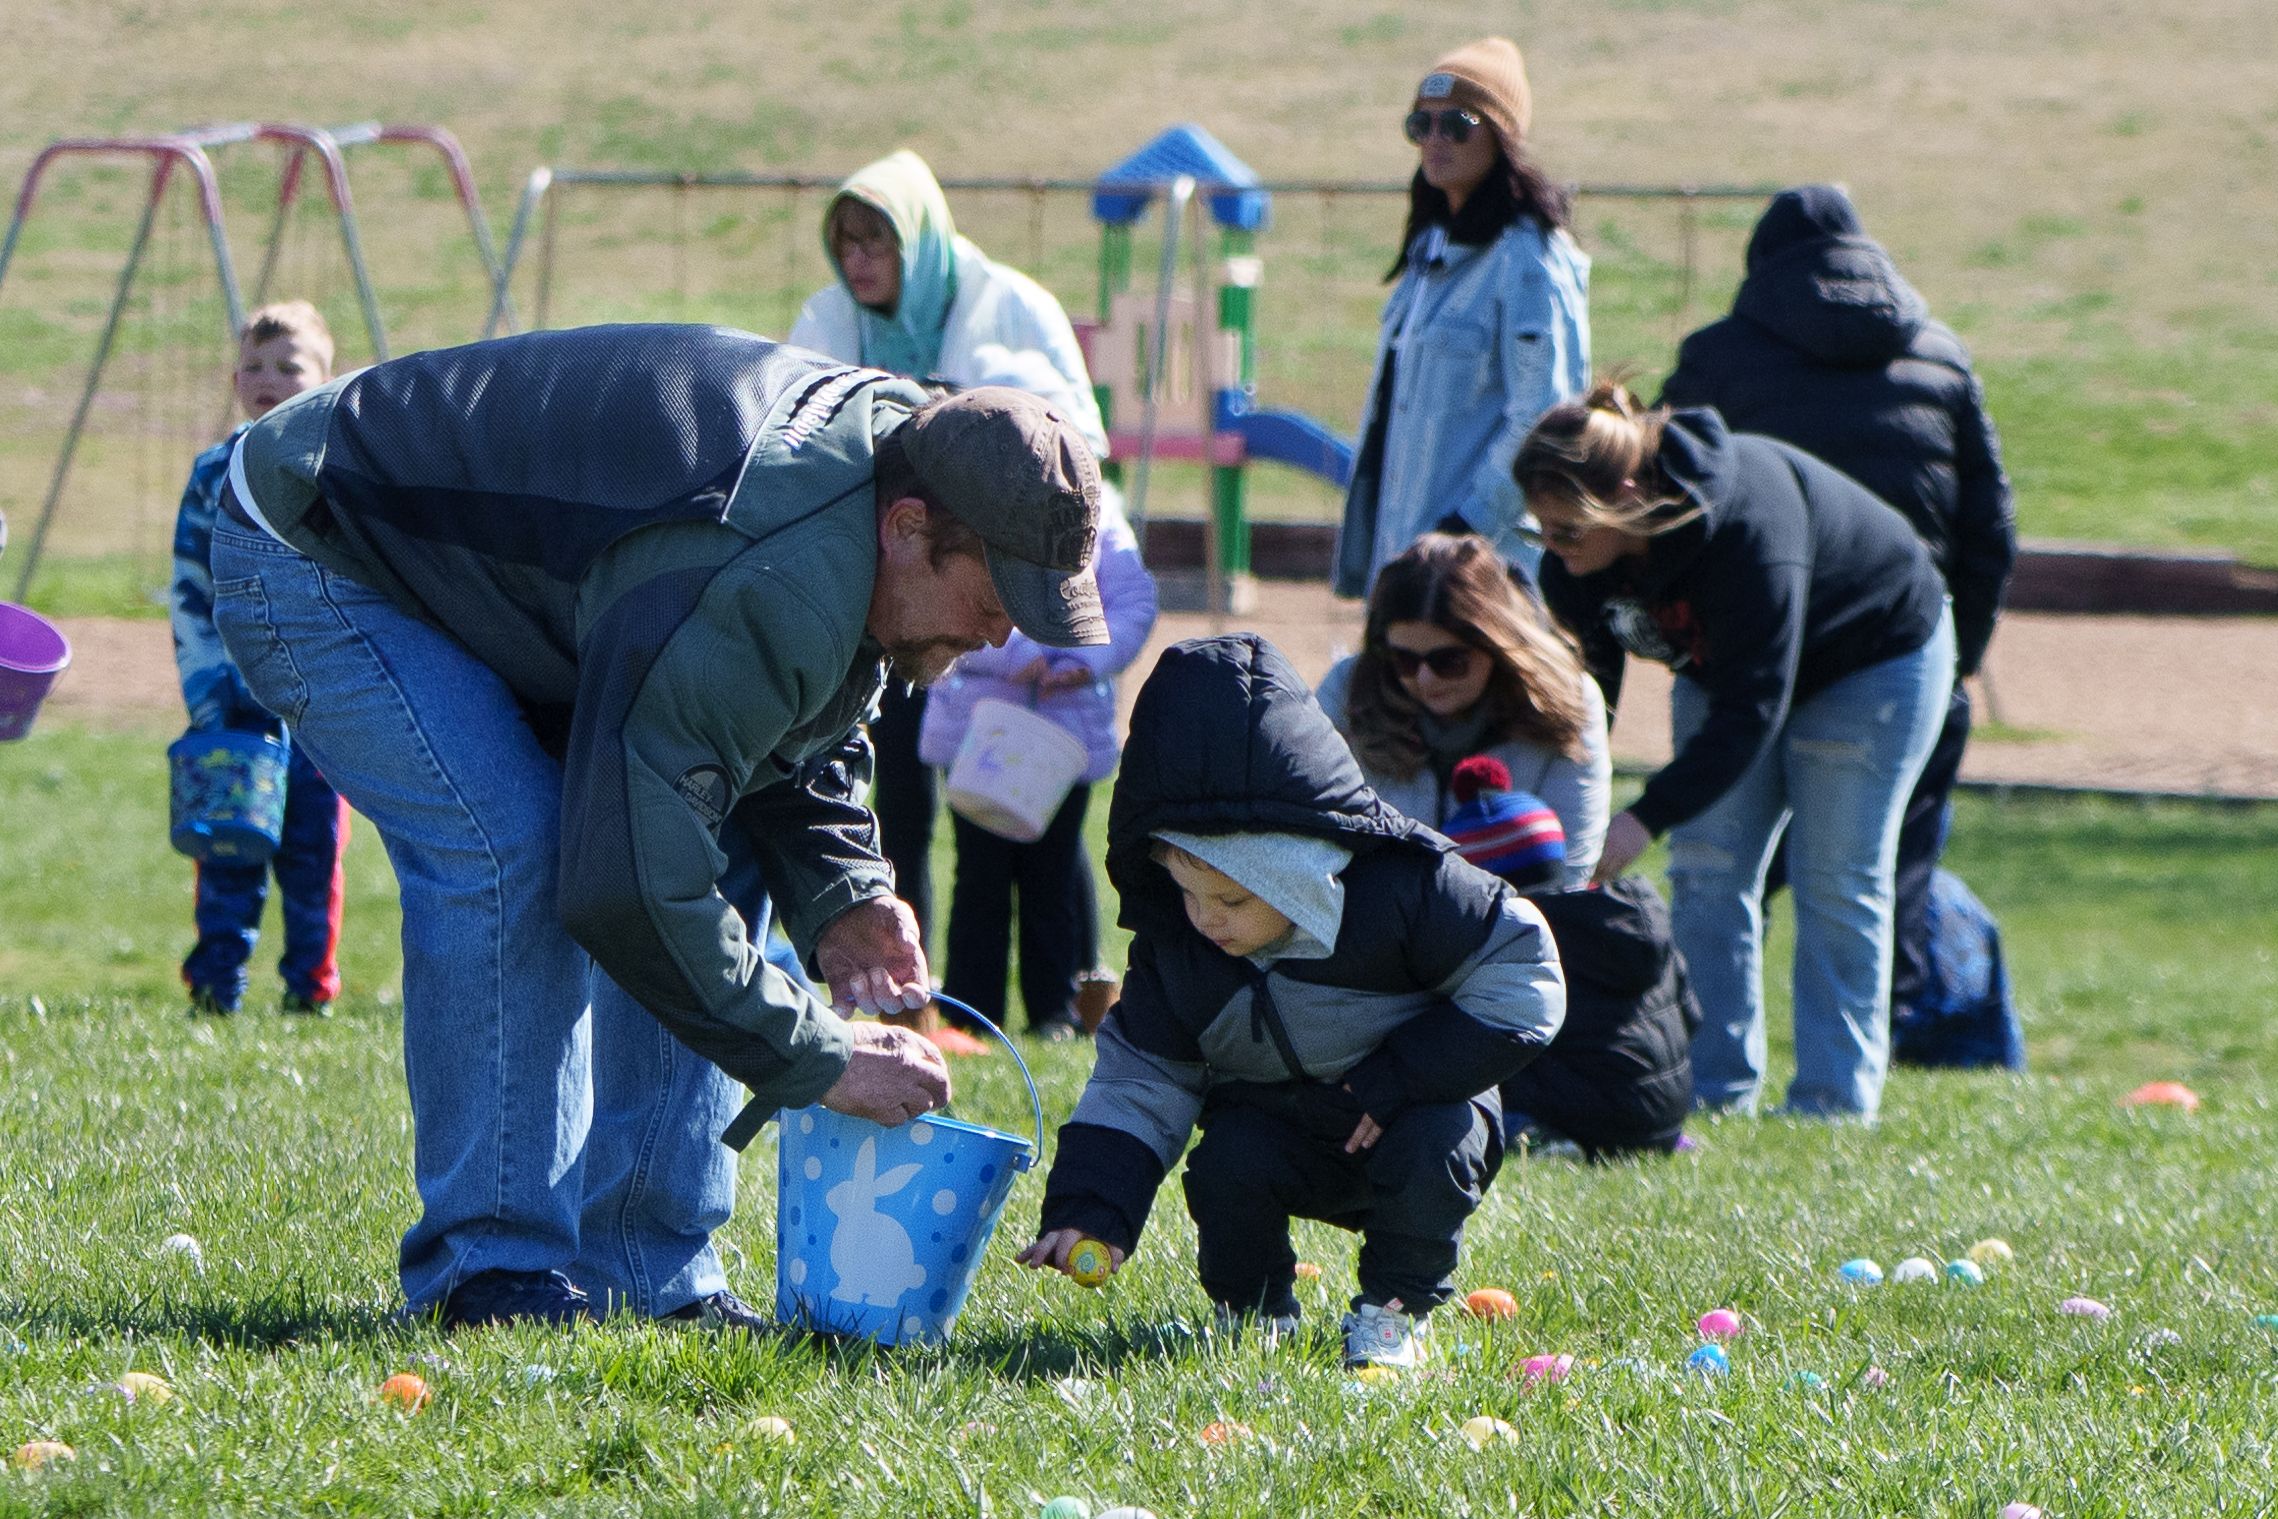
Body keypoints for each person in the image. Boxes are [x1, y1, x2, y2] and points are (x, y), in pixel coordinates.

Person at [212, 323, 1107, 1330]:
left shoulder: (886, 494)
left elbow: (773, 734)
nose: (998, 636)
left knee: (701, 830)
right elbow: (627, 883)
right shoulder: (762, 566)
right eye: (991, 599)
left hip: (487, 571)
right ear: (906, 530)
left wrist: (844, 892)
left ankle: (646, 1267)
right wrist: (818, 1053)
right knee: (514, 850)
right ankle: (491, 1271)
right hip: (317, 537)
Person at [1017, 634, 1565, 1370]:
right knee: (1227, 1164)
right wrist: (1094, 1206)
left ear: (1302, 873)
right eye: (1186, 892)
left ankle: (1391, 1316)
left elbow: (1524, 973)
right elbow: (1139, 1083)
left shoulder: (1406, 892)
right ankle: (1252, 1313)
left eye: (1234, 898)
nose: (1207, 918)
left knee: (1439, 1138)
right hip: (1286, 1128)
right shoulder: (1180, 950)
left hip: (1409, 1111)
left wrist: (1406, 1073)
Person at [1516, 383, 1954, 1121]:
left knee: (1835, 876)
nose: (1552, 550)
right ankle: (1716, 1089)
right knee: (1708, 868)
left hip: (1873, 655)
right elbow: (1590, 694)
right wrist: (1571, 793)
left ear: (1624, 495)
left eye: (1564, 531)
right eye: (1541, 531)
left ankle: (1834, 1102)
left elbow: (1754, 710)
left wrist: (1641, 817)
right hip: (1727, 668)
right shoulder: (1578, 561)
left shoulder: (1746, 528)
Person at [1659, 184, 2017, 1048]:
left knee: (1716, 872)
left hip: (1742, 648)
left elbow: (1666, 505)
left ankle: (1711, 1068)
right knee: (1868, 871)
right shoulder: (1941, 355)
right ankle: (1865, 1063)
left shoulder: (1718, 357)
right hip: (1896, 647)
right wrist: (1955, 660)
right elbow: (1989, 526)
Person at [788, 150, 1110, 993]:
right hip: (883, 592)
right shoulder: (825, 322)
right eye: (846, 242)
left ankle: (1071, 989)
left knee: (1024, 814)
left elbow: (1073, 456)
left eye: (878, 241)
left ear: (918, 241)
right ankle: (908, 981)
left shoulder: (1012, 309)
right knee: (880, 793)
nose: (860, 260)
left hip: (995, 602)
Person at [1333, 35, 1591, 598]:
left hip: (1486, 571)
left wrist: (1466, 528)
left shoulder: (1531, 259)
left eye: (1457, 123)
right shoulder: (1429, 252)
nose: (1434, 139)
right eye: (1419, 125)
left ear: (1502, 137)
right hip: (1409, 562)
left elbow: (1544, 417)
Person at [919, 451, 1157, 1038]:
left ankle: (1054, 1009)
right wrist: (1019, 654)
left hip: (1064, 735)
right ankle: (972, 1011)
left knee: (1053, 875)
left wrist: (1084, 662)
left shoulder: (1107, 529)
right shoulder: (979, 519)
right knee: (979, 876)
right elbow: (950, 602)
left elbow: (1133, 606)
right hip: (983, 733)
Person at [169, 300, 348, 1017]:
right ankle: (216, 987)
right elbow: (189, 588)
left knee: (314, 853)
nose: (267, 378)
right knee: (227, 849)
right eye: (253, 365)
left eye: (288, 366)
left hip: (319, 704)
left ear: (326, 380)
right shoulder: (214, 473)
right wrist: (208, 690)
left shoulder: (335, 475)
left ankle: (310, 990)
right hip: (237, 707)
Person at [1436, 759, 1698, 1159]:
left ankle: (1538, 1136)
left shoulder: (1511, 938)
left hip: (1580, 1118)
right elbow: (1691, 1015)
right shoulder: (1635, 914)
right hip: (1664, 1115)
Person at [1317, 531, 1610, 887]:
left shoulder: (1570, 701)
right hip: (1377, 920)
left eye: (1449, 660)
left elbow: (1567, 874)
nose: (1425, 678)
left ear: (1498, 646)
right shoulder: (1348, 691)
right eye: (1404, 659)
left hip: (1520, 922)